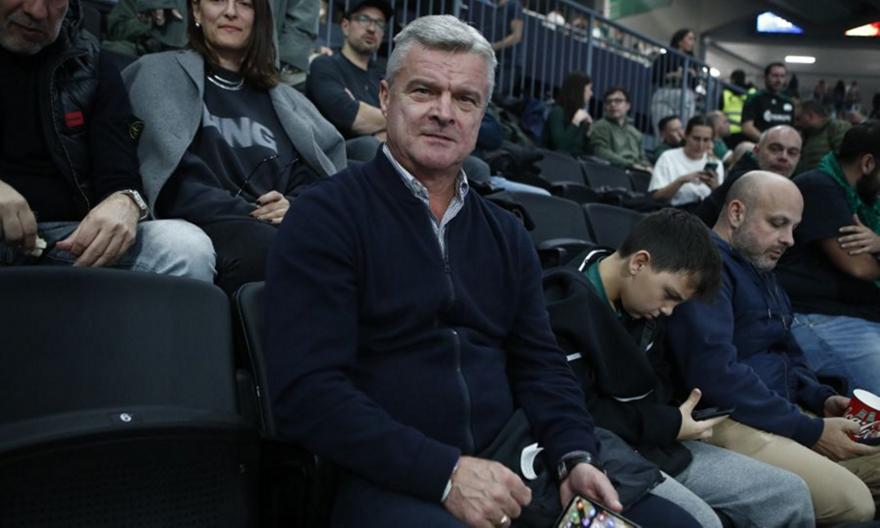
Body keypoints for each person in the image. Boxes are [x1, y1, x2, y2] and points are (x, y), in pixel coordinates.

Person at [265, 15, 700, 527]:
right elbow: (309, 394)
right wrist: (446, 474)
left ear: (480, 115)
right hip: (390, 472)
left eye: (465, 99)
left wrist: (574, 454)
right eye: (424, 91)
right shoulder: (326, 216)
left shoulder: (506, 234)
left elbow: (542, 365)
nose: (444, 112)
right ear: (385, 97)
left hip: (515, 461)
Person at [551, 209, 814, 527]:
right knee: (701, 522)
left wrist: (677, 419)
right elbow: (577, 412)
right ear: (639, 263)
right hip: (597, 451)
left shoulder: (643, 307)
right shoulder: (562, 306)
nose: (668, 310)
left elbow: (659, 384)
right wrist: (670, 422)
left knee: (789, 495)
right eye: (669, 296)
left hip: (658, 444)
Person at [665, 170, 880, 524]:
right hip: (726, 418)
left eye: (794, 228)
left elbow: (788, 351)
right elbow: (715, 376)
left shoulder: (761, 270)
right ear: (736, 213)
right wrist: (810, 431)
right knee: (855, 503)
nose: (790, 240)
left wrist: (820, 398)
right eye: (778, 224)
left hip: (780, 410)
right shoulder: (706, 267)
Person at [122, 0, 345, 294]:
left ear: (259, 18)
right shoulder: (157, 73)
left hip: (280, 226)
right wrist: (254, 213)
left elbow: (313, 174)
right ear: (196, 10)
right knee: (278, 250)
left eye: (244, 3)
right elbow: (175, 183)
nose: (230, 11)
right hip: (208, 224)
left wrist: (295, 205)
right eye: (218, 0)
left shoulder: (286, 100)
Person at [0, 0, 214, 279]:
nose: (37, 11)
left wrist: (125, 202)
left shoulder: (90, 61)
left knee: (186, 247)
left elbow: (119, 171)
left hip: (67, 239)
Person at [776, 123, 880, 397]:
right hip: (817, 316)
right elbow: (859, 266)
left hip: (856, 314)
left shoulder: (862, 202)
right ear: (868, 164)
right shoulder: (820, 187)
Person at [305, 0, 390, 154]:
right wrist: (395, 120)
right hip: (335, 156)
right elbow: (352, 117)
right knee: (369, 146)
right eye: (364, 19)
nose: (372, 28)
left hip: (380, 155)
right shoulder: (325, 65)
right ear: (345, 26)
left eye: (379, 23)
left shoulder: (384, 78)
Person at [694, 125, 801, 226]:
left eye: (792, 152)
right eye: (775, 149)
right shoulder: (743, 182)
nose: (784, 157)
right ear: (756, 151)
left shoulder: (796, 187)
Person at [649, 115, 724, 207]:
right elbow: (655, 196)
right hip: (673, 210)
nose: (700, 145)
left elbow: (720, 204)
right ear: (686, 135)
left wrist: (715, 188)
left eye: (706, 140)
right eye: (696, 139)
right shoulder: (667, 157)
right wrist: (681, 181)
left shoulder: (716, 163)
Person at [649, 28, 698, 135]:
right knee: (663, 128)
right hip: (666, 92)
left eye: (694, 39)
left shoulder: (693, 62)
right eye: (690, 38)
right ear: (679, 41)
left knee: (683, 130)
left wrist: (690, 75)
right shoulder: (665, 57)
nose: (692, 42)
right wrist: (673, 75)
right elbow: (654, 76)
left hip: (685, 95)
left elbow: (695, 83)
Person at [590, 87, 651, 171]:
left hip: (636, 172)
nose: (612, 104)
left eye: (618, 101)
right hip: (613, 171)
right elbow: (601, 152)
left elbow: (642, 157)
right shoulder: (601, 126)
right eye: (608, 102)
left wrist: (647, 167)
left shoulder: (635, 132)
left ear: (628, 106)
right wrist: (630, 165)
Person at [102, 0, 188, 58]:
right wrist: (148, 20)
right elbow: (115, 30)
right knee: (112, 51)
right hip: (141, 52)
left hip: (180, 57)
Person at [741, 62, 794, 142]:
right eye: (775, 76)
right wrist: (767, 142)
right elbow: (747, 127)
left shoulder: (788, 101)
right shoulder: (754, 98)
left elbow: (791, 129)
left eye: (782, 76)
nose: (779, 80)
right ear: (765, 77)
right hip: (759, 145)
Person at [794, 99, 850, 174]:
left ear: (810, 116)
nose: (796, 123)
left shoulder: (836, 127)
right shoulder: (806, 135)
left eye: (798, 119)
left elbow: (846, 158)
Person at [543, 72, 592, 156]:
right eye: (589, 89)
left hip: (575, 162)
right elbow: (560, 147)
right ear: (579, 91)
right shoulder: (557, 112)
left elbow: (584, 152)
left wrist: (589, 133)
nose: (591, 93)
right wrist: (575, 122)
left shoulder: (580, 116)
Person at [486, 0, 523, 96]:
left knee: (497, 95)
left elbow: (517, 36)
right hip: (498, 59)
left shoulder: (513, 5)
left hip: (509, 62)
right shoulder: (499, 7)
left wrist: (494, 46)